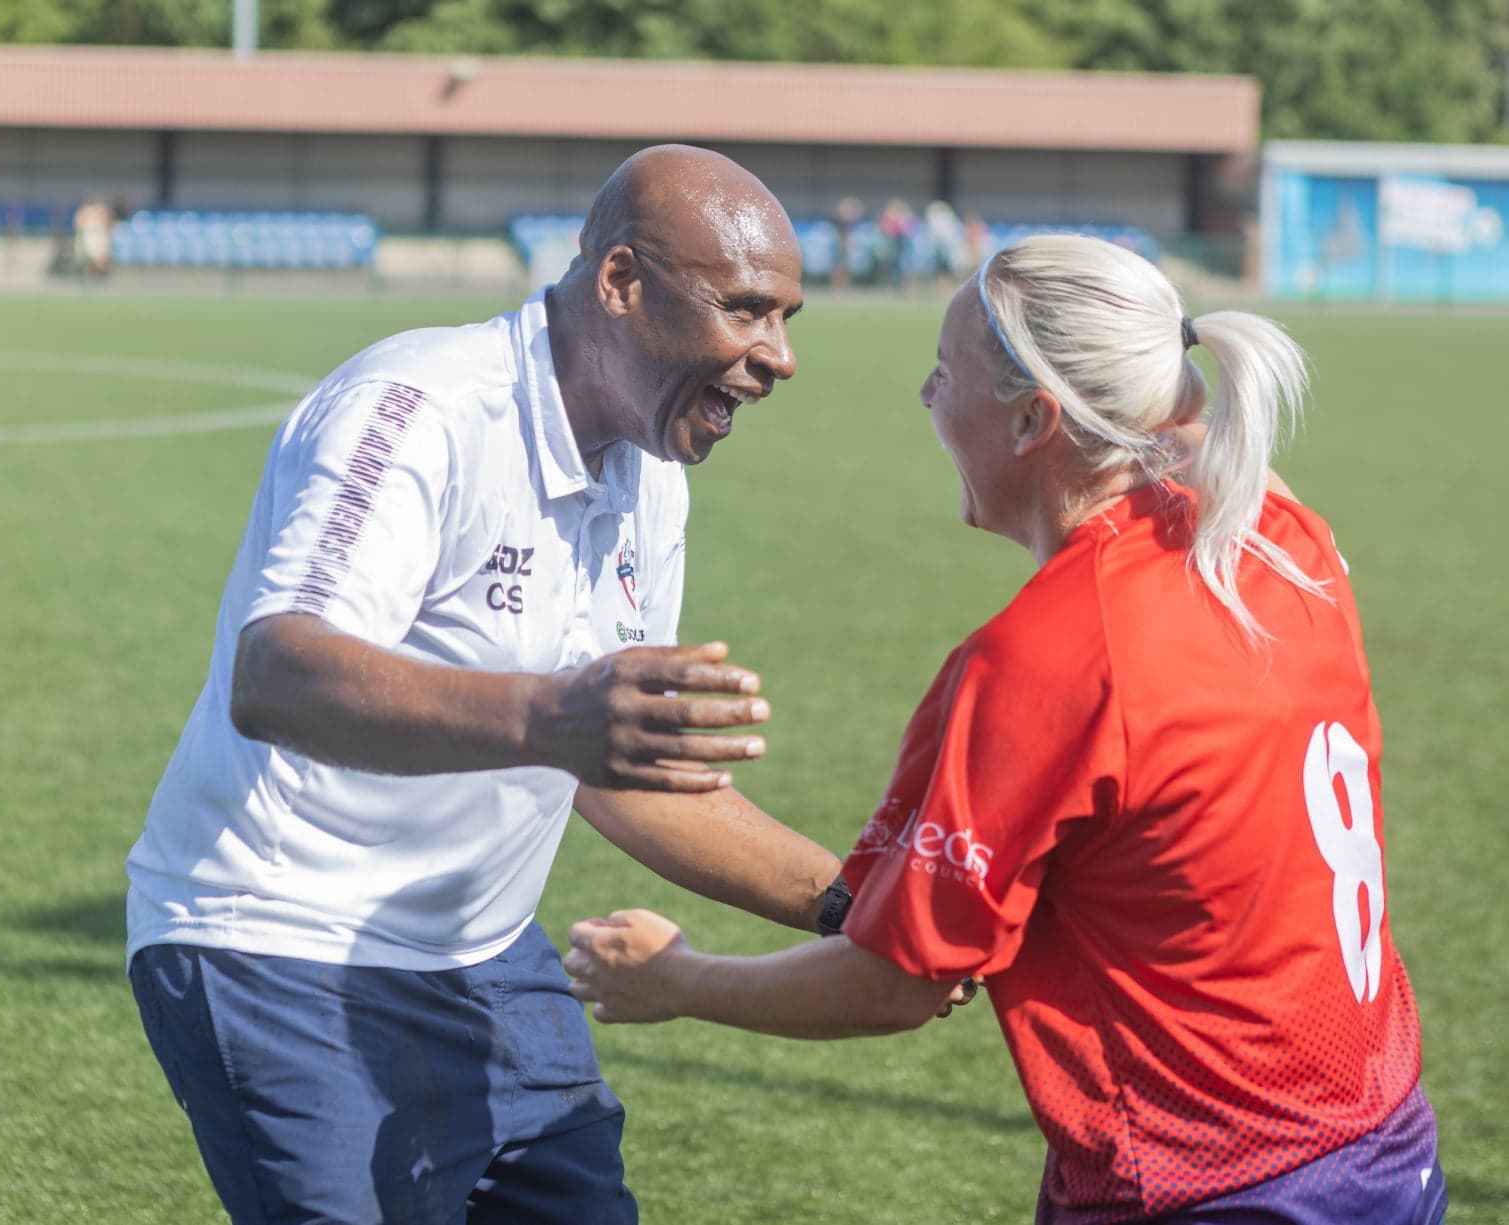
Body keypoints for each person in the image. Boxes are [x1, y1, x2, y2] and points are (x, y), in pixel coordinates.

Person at [565, 234, 1444, 1224]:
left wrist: (678, 978)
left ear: (1033, 419)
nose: (926, 401)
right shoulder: (1280, 535)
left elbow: (896, 985)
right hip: (1388, 1147)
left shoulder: (1042, 660)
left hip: (1212, 1185)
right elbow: (1191, 437)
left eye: (944, 375)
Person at [125, 144, 844, 1225]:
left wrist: (864, 902)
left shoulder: (648, 474)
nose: (777, 356)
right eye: (745, 310)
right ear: (618, 282)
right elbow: (277, 670)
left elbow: (619, 770)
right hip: (277, 943)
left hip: (483, 955)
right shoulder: (419, 407)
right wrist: (550, 715)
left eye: (785, 318)